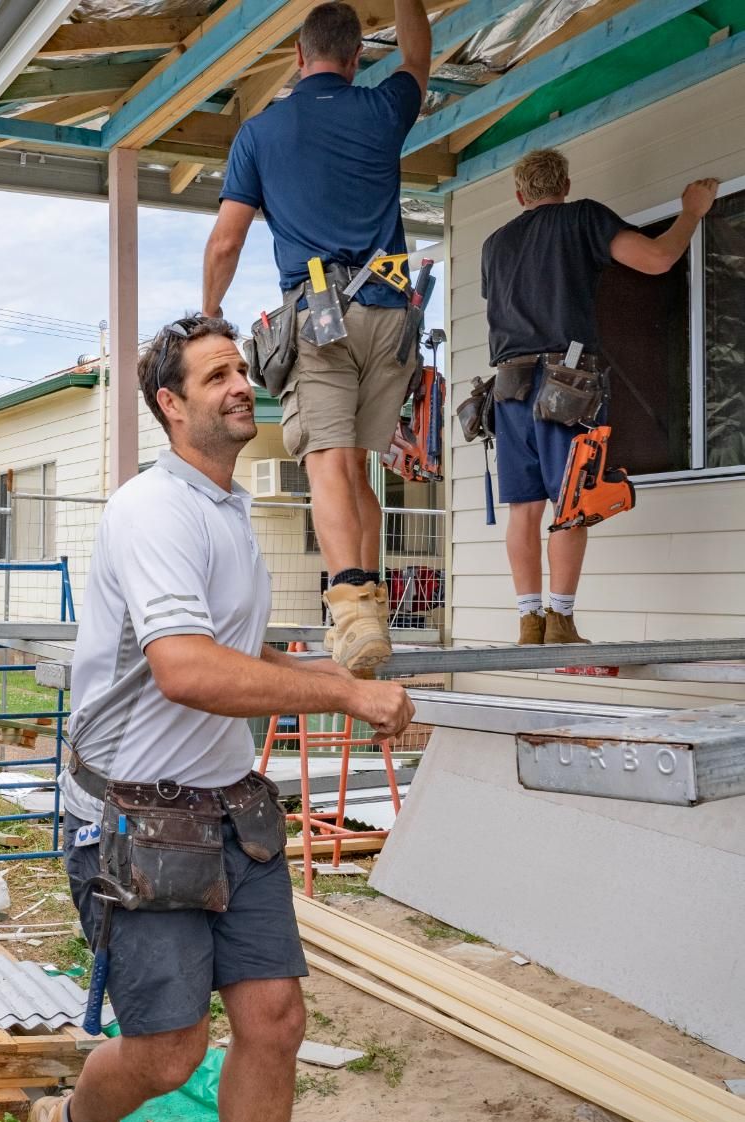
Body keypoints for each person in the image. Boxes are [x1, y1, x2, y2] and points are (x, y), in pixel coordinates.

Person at [29, 315, 414, 1122]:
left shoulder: (228, 508)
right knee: (170, 1051)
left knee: (275, 1021)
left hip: (229, 808)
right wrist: (343, 702)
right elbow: (188, 670)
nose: (243, 384)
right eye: (216, 376)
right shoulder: (152, 511)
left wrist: (338, 677)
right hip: (135, 819)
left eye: (242, 369)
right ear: (170, 404)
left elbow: (238, 650)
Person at [202, 1, 432, 674]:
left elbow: (226, 239)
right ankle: (371, 601)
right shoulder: (383, 107)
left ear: (299, 59)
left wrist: (211, 312)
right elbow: (418, 57)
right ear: (357, 58)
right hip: (390, 315)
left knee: (326, 461)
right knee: (356, 465)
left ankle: (354, 612)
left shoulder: (261, 132)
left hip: (320, 317)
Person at [480, 148, 718, 645]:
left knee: (524, 509)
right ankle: (561, 623)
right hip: (566, 385)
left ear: (520, 195)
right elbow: (658, 260)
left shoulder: (495, 244)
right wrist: (692, 212)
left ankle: (530, 623)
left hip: (507, 389)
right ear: (565, 186)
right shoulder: (581, 217)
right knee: (570, 502)